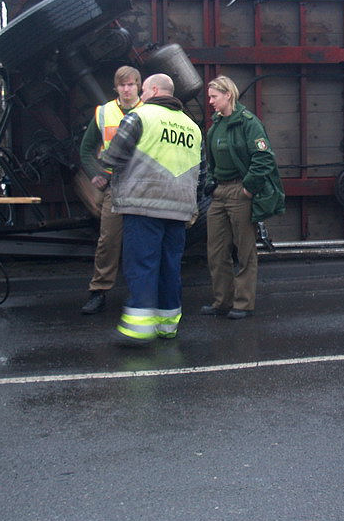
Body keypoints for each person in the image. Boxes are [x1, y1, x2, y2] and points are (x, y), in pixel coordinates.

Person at [101, 73, 202, 345]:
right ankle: (168, 326)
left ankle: (139, 328)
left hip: (144, 204)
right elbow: (199, 170)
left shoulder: (140, 116)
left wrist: (102, 170)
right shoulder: (192, 127)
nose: (140, 95)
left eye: (143, 90)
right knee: (170, 266)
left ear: (154, 90)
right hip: (179, 209)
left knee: (142, 264)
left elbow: (113, 156)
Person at [201, 75, 284, 319]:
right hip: (219, 194)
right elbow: (210, 161)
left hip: (240, 191)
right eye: (209, 97)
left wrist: (247, 188)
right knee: (216, 250)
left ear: (228, 95)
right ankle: (221, 302)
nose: (210, 101)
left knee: (244, 250)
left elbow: (264, 158)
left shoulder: (249, 123)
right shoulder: (215, 126)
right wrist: (210, 185)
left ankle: (243, 303)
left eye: (214, 96)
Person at [79, 65, 143, 314]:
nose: (127, 89)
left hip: (141, 187)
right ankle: (99, 291)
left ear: (139, 86)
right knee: (108, 241)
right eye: (122, 85)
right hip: (114, 187)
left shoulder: (150, 112)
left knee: (140, 241)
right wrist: (96, 174)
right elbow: (86, 150)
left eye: (131, 84)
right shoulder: (104, 112)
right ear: (116, 88)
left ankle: (139, 292)